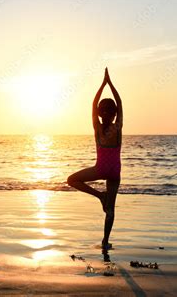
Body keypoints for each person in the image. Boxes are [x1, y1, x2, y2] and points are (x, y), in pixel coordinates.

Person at [67, 67, 123, 250]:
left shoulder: (97, 128)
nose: (107, 114)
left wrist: (103, 84)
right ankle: (105, 242)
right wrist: (110, 84)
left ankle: (100, 196)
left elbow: (93, 105)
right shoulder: (118, 127)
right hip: (114, 172)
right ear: (114, 114)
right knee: (111, 209)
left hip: (100, 170)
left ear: (100, 114)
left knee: (71, 180)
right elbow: (120, 103)